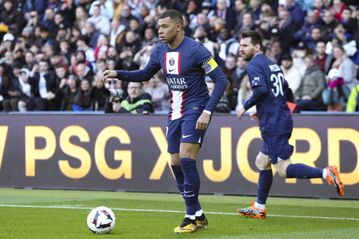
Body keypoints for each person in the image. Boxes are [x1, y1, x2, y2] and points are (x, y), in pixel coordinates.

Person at [102, 10, 228, 233]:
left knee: (188, 160)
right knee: (176, 163)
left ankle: (189, 218)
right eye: (158, 26)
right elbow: (144, 74)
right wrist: (118, 73)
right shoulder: (159, 50)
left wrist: (208, 111)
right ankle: (197, 212)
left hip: (196, 108)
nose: (159, 30)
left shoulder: (197, 50)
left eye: (165, 26)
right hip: (174, 112)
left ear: (178, 27)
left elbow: (221, 81)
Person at [236, 30, 344, 219]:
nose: (241, 49)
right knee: (262, 161)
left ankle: (326, 173)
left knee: (284, 170)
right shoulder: (272, 65)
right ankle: (259, 207)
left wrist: (245, 106)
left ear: (257, 46)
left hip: (274, 123)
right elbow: (286, 90)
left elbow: (261, 90)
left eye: (245, 45)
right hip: (279, 118)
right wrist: (284, 108)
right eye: (241, 45)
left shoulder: (254, 65)